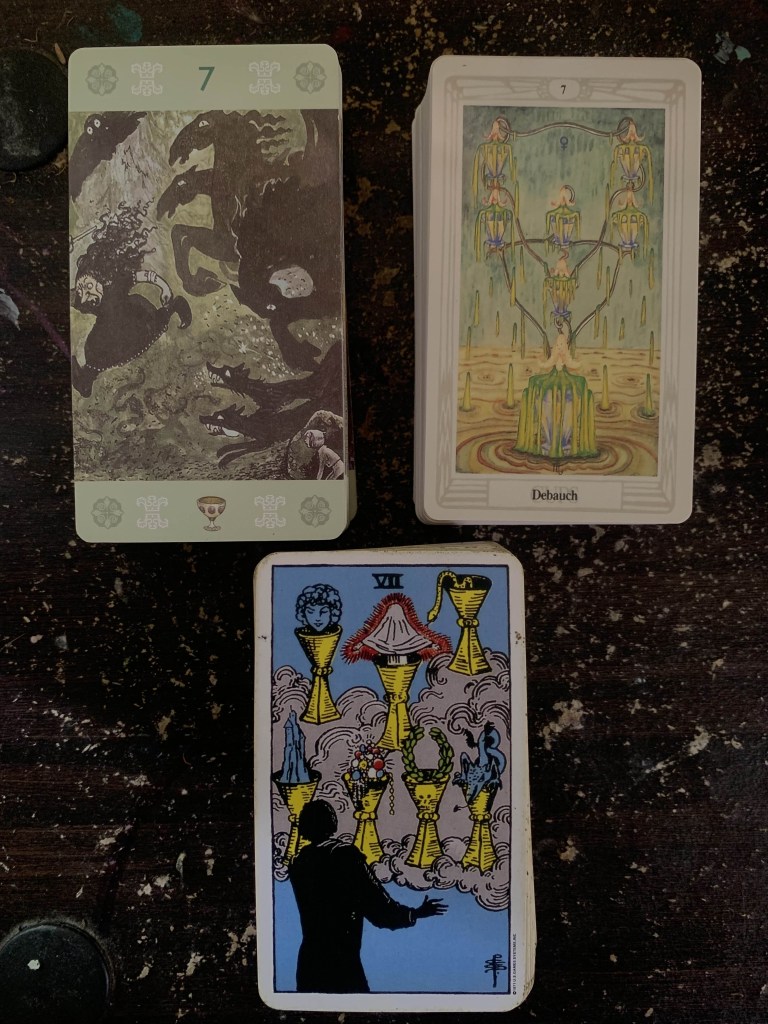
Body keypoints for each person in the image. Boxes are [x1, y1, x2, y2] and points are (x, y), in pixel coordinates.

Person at [288, 799, 446, 993]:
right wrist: (416, 913)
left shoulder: (298, 862)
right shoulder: (345, 856)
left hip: (309, 963)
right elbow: (378, 907)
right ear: (331, 823)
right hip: (342, 963)